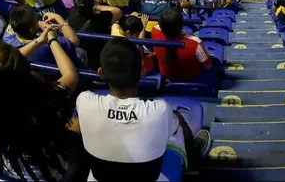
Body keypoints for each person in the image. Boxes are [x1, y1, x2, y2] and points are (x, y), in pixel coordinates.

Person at [77, 38, 211, 180]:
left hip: (99, 177)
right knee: (176, 126)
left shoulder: (84, 101)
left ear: (101, 73)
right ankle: (194, 152)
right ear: (142, 71)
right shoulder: (159, 109)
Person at [0, 41, 82, 179]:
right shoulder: (43, 98)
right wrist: (52, 40)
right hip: (55, 174)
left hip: (13, 173)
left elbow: (4, 69)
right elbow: (71, 75)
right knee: (81, 115)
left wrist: (38, 40)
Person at [151, 6, 216, 85]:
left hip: (166, 75)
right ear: (181, 24)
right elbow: (208, 66)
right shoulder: (195, 43)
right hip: (192, 78)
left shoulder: (154, 31)